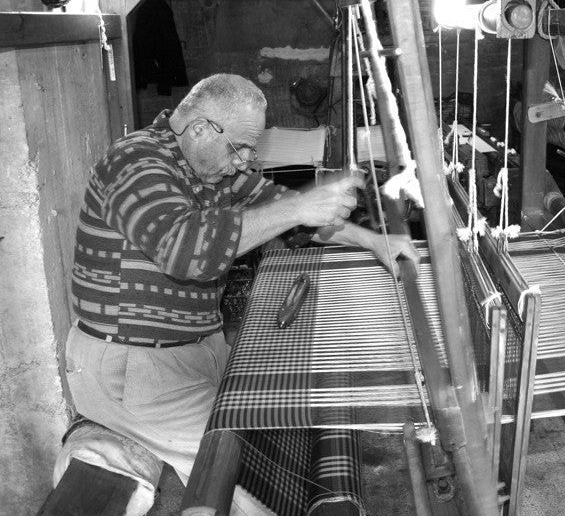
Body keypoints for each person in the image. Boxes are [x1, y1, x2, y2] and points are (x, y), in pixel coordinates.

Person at [64, 73, 420, 494]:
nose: (247, 161)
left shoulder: (211, 169)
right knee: (248, 481)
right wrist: (299, 210)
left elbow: (282, 206)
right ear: (199, 128)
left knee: (277, 433)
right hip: (133, 370)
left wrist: (372, 239)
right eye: (242, 148)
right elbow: (185, 251)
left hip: (196, 349)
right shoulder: (136, 162)